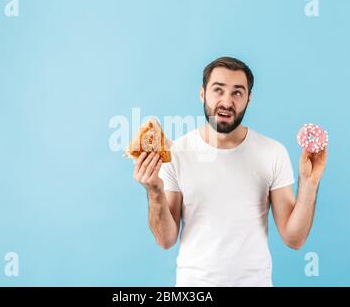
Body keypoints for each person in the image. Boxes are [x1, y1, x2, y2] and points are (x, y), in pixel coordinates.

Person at [133, 57, 327, 286]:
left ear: (249, 99)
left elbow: (294, 239)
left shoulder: (273, 152)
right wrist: (155, 191)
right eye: (218, 90)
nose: (227, 101)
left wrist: (309, 183)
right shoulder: (177, 153)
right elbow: (165, 240)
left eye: (237, 92)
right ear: (203, 94)